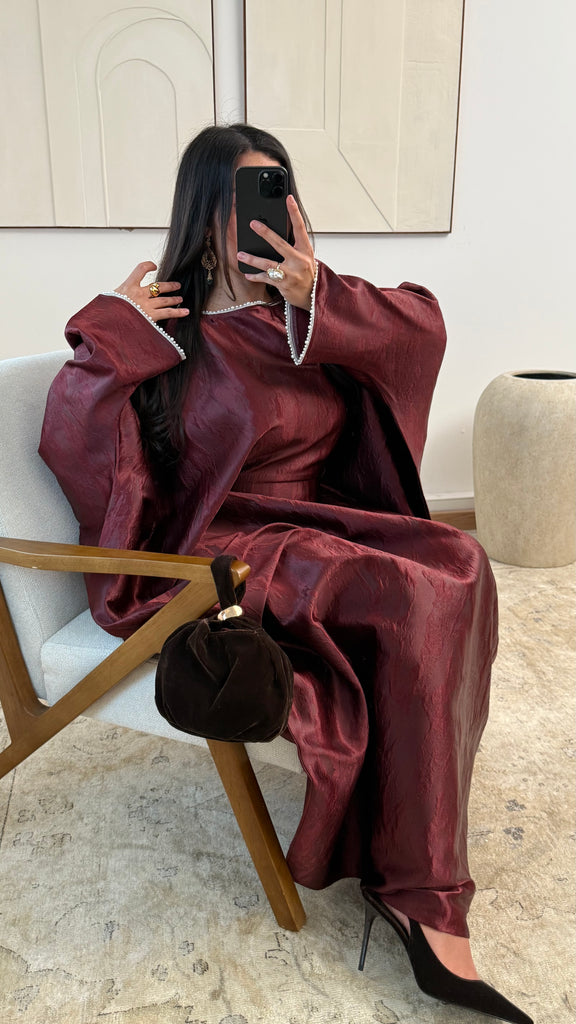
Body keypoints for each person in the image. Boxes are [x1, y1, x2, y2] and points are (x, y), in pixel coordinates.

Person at [39, 124, 532, 1024]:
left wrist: (320, 295)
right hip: (224, 542)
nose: (263, 215)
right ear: (204, 213)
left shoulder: (306, 313)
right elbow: (78, 451)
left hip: (319, 521)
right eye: (242, 197)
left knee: (460, 559)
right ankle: (421, 895)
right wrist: (113, 333)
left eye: (278, 190)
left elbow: (421, 330)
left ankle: (410, 814)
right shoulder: (165, 335)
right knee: (404, 589)